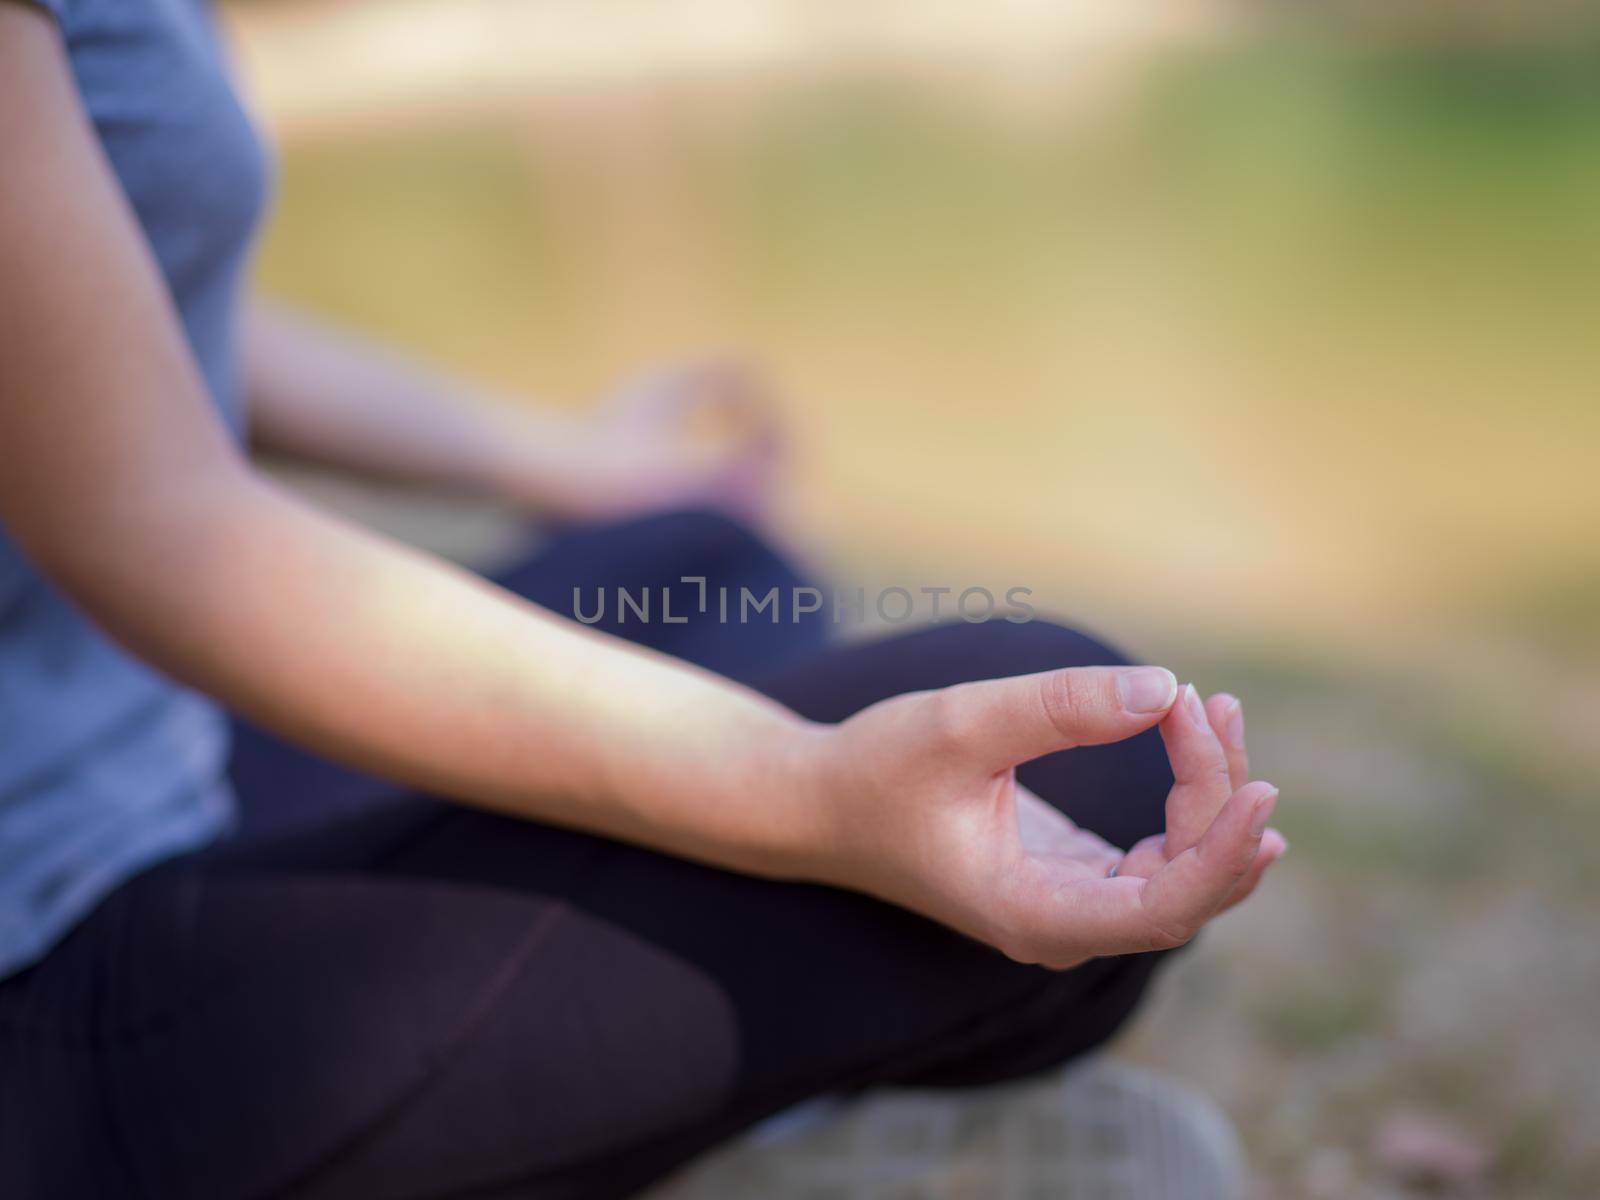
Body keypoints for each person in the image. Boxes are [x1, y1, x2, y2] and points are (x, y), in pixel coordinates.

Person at [0, 2, 1287, 1197]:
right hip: (34, 970)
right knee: (1085, 782)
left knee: (711, 563)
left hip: (149, 754)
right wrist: (810, 789)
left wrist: (561, 461)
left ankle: (667, 1074)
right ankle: (708, 1097)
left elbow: (131, 309)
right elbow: (153, 527)